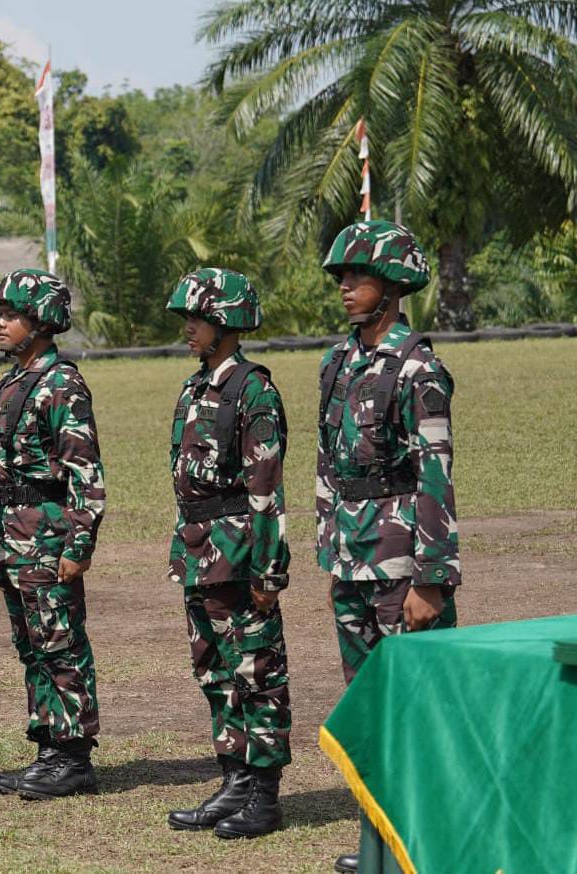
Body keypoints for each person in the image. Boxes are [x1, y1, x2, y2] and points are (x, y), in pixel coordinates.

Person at [317, 221, 460, 873]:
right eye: (342, 277)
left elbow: (435, 472)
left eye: (359, 277)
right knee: (368, 706)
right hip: (351, 555)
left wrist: (431, 578)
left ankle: (427, 849)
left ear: (395, 287)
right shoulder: (338, 361)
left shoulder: (418, 367)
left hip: (402, 559)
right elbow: (328, 461)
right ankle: (380, 844)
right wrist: (329, 545)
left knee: (422, 711)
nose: (346, 287)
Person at [162, 269, 292, 839]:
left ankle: (263, 795)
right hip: (198, 552)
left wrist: (269, 568)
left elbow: (266, 488)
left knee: (256, 669)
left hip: (240, 553)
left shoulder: (253, 390)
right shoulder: (195, 388)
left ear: (228, 325)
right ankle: (234, 778)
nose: (188, 329)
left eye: (199, 320)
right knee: (214, 669)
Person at [0, 268, 105, 800]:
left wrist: (79, 547)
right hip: (13, 537)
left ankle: (73, 756)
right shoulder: (13, 381)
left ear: (43, 322)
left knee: (60, 643)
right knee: (32, 645)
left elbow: (86, 474)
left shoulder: (61, 384)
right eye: (1, 315)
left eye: (13, 315)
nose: (1, 323)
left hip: (49, 536)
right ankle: (48, 747)